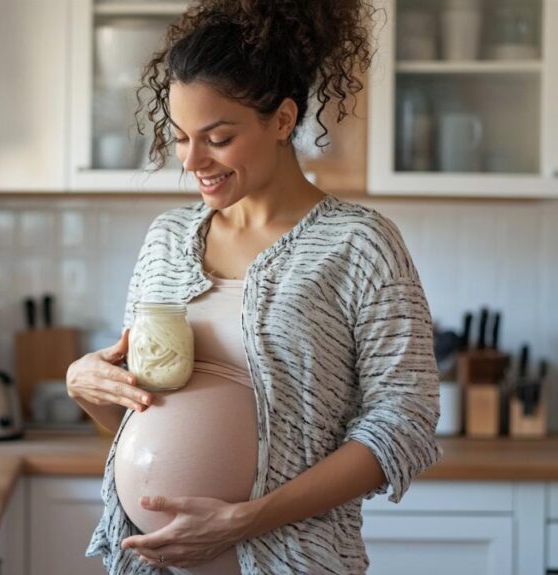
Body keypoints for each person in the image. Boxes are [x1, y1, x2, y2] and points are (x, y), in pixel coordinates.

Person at [65, 0, 441, 573]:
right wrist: (90, 388)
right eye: (181, 137)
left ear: (284, 120)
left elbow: (405, 421)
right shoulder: (166, 239)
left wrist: (247, 519)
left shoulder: (360, 244)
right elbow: (147, 413)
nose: (193, 161)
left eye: (217, 137)